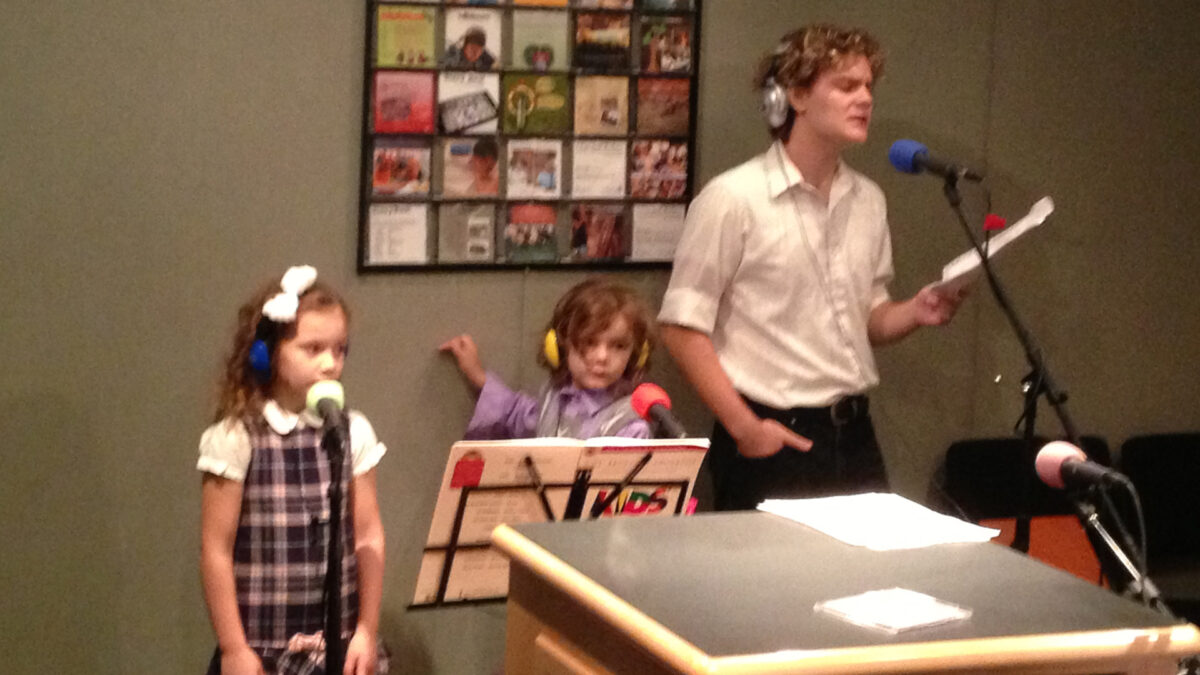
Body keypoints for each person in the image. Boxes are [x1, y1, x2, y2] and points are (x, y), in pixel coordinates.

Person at [657, 24, 966, 511]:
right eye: (846, 86)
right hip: (773, 435)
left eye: (868, 87)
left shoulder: (868, 199)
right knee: (769, 585)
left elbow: (869, 317)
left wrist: (915, 311)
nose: (864, 99)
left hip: (855, 434)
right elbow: (681, 327)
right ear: (797, 96)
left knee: (866, 582)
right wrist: (745, 428)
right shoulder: (733, 198)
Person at [198, 265, 388, 674]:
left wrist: (366, 630)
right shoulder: (237, 436)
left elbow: (368, 536)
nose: (329, 363)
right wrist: (233, 648)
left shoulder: (353, 431)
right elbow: (216, 550)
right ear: (266, 353)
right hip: (262, 652)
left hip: (337, 649)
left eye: (340, 349)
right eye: (312, 348)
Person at [440, 278, 655, 439]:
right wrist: (477, 375)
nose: (602, 356)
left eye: (618, 346)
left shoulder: (631, 425)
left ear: (636, 354)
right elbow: (518, 412)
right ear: (559, 346)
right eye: (589, 342)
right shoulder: (555, 399)